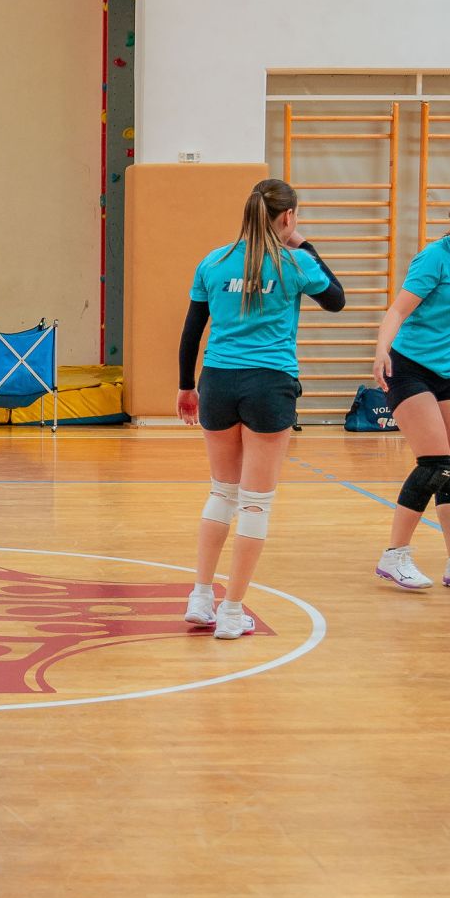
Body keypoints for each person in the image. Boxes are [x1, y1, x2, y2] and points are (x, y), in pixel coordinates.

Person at [175, 178, 344, 639]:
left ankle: (201, 596)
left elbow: (192, 330)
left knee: (221, 492)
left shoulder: (213, 261)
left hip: (217, 381)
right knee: (255, 503)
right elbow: (336, 299)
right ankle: (231, 612)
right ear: (288, 216)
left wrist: (186, 386)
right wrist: (302, 242)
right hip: (269, 384)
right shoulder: (295, 262)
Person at [369, 181, 450, 594]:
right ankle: (394, 555)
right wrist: (381, 349)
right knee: (434, 464)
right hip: (409, 367)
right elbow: (397, 310)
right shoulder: (434, 258)